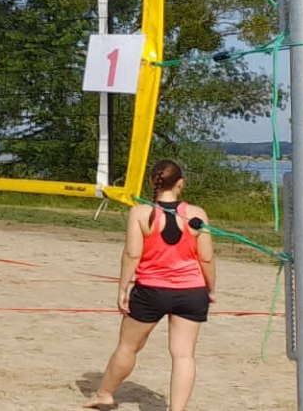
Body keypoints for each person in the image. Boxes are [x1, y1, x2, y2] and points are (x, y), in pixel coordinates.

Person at [86, 160, 215, 411]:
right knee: (183, 355)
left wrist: (123, 289)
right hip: (190, 291)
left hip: (150, 291)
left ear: (151, 183)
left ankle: (104, 394)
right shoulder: (197, 214)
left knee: (128, 346)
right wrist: (211, 289)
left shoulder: (140, 213)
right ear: (181, 184)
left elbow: (131, 255)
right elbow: (206, 258)